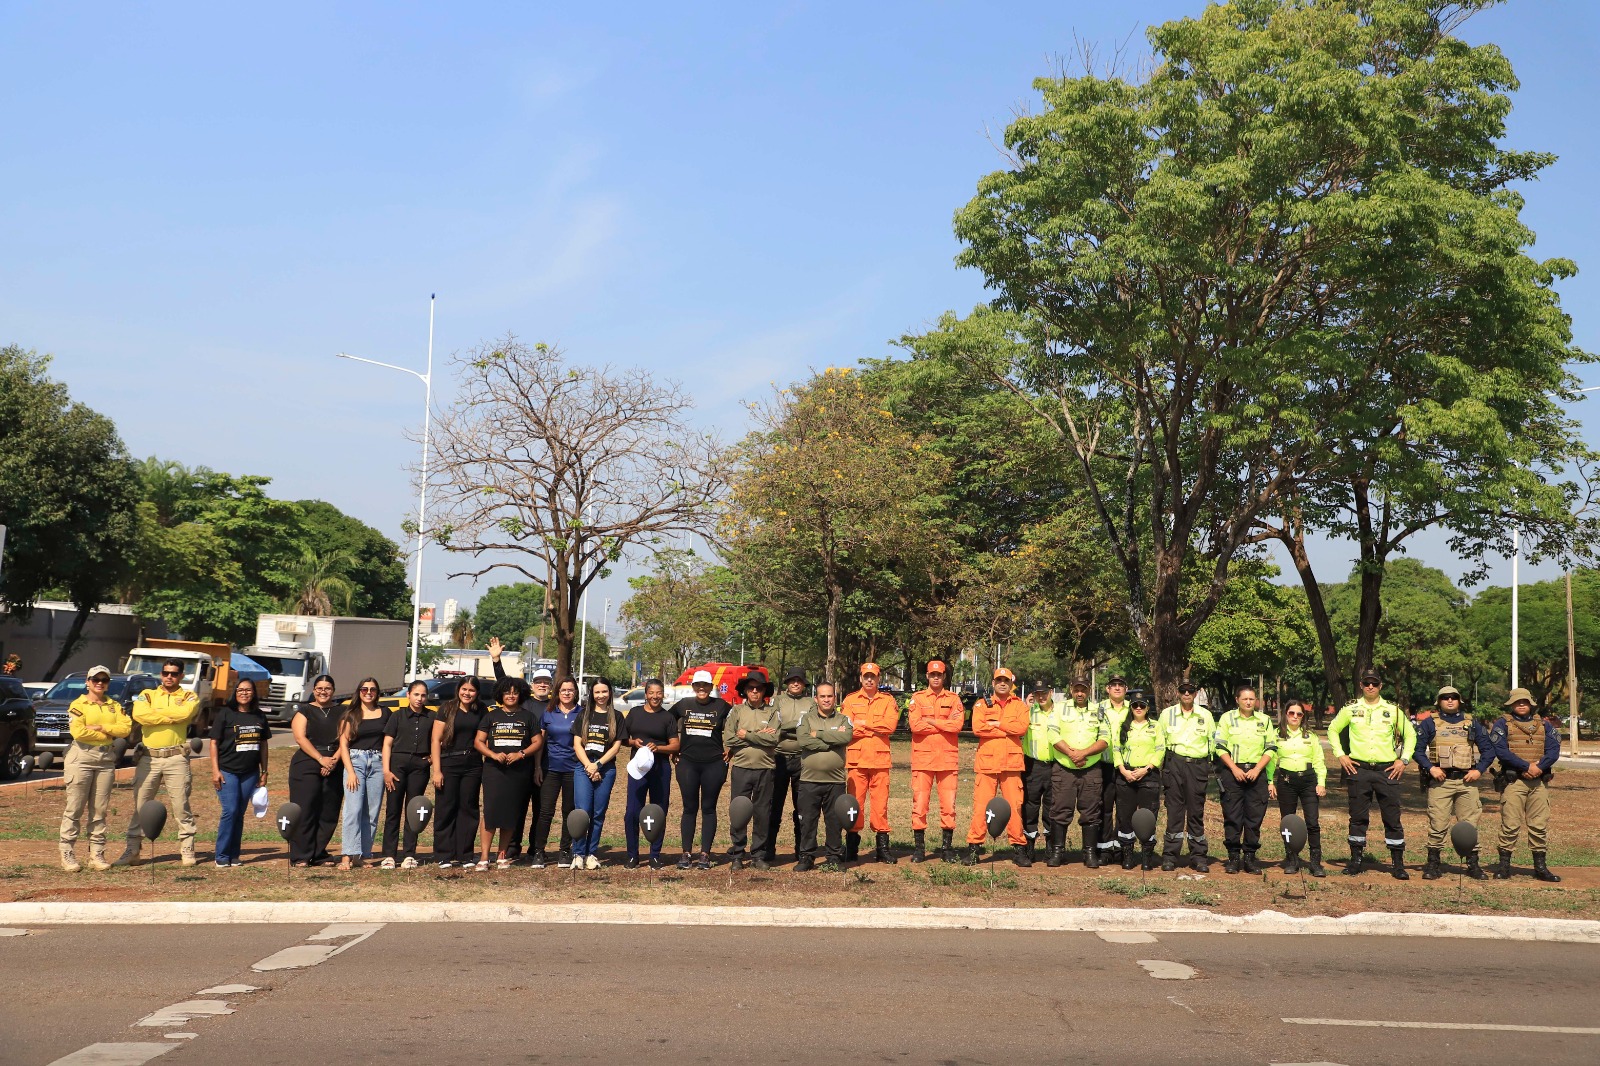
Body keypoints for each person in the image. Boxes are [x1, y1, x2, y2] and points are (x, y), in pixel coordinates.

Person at [1327, 670, 1416, 879]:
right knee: (1358, 817)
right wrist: (1341, 755)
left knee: (1392, 817)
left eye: (1374, 683)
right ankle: (1356, 860)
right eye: (1367, 683)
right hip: (1360, 770)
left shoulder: (1393, 710)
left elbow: (1410, 735)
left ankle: (1397, 863)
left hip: (1387, 771)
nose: (1370, 687)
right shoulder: (1351, 709)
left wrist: (1403, 760)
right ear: (1361, 685)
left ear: (1380, 686)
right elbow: (1332, 729)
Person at [115, 657, 201, 867]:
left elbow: (186, 713)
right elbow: (140, 715)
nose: (168, 677)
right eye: (165, 673)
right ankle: (133, 850)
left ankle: (187, 849)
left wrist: (158, 714)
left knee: (181, 805)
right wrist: (172, 717)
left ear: (181, 675)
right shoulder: (148, 694)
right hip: (148, 758)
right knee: (140, 805)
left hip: (176, 758)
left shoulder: (190, 696)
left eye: (173, 673)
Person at [1414, 685, 1492, 880]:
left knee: (1469, 824)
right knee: (1438, 823)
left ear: (1459, 700)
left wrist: (1478, 770)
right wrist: (1430, 768)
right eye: (1445, 698)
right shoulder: (1430, 723)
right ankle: (1433, 864)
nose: (1450, 700)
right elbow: (1417, 749)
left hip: (1467, 782)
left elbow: (1488, 750)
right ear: (1439, 702)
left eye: (1454, 697)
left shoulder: (1472, 722)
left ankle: (1473, 865)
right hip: (1441, 782)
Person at [59, 664, 132, 872]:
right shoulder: (78, 704)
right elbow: (79, 733)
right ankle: (67, 852)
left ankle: (97, 854)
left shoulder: (114, 705)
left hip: (105, 759)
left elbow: (126, 728)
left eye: (104, 680)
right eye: (95, 679)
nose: (99, 683)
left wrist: (102, 728)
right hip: (81, 757)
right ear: (88, 682)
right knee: (75, 808)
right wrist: (110, 734)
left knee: (100, 809)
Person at [1488, 688, 1561, 882]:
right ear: (1511, 704)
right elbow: (1501, 751)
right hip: (1514, 782)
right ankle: (1504, 866)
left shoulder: (1544, 725)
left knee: (1539, 826)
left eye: (1525, 701)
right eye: (1518, 701)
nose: (1521, 704)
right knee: (1510, 824)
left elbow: (1554, 750)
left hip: (1538, 782)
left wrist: (1540, 767)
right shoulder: (1502, 724)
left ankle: (1540, 867)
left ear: (1531, 704)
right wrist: (1526, 766)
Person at [488, 637, 552, 860]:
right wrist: (496, 660)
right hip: (520, 764)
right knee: (517, 807)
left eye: (546, 682)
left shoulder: (554, 706)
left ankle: (536, 848)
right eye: (539, 681)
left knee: (541, 810)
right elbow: (505, 684)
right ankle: (512, 846)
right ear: (532, 684)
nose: (542, 685)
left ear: (551, 685)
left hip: (546, 764)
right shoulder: (524, 702)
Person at [476, 675, 542, 870]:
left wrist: (521, 754)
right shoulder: (491, 715)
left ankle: (502, 854)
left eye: (515, 692)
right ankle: (484, 856)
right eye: (507, 692)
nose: (511, 696)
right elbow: (478, 741)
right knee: (490, 812)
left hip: (519, 772)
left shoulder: (528, 717)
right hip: (494, 771)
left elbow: (538, 742)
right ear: (500, 694)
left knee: (510, 812)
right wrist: (493, 755)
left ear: (521, 694)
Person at [965, 668, 1028, 865]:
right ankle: (974, 849)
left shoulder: (1019, 706)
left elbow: (1022, 728)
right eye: (998, 680)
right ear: (993, 683)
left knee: (1015, 808)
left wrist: (997, 724)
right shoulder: (981, 704)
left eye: (1006, 680)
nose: (1002, 683)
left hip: (1011, 764)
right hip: (987, 764)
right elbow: (978, 728)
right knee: (981, 807)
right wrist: (1007, 730)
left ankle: (1019, 849)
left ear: (1011, 684)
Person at [1045, 676, 1108, 869]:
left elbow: (1105, 739)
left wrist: (1083, 753)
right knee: (1060, 809)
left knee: (1091, 811)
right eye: (1076, 689)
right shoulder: (1060, 708)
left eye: (1083, 689)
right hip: (1064, 767)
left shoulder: (1099, 710)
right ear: (1071, 689)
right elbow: (1052, 734)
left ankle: (1089, 853)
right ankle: (1057, 852)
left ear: (1089, 690)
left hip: (1090, 769)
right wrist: (1072, 754)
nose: (1080, 693)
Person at [1213, 685, 1277, 874]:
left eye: (1252, 699)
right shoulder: (1227, 719)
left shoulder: (1264, 720)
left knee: (1254, 817)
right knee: (1232, 816)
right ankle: (1233, 857)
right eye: (1245, 699)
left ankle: (1250, 857)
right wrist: (1234, 768)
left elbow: (1271, 748)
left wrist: (1258, 769)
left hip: (1257, 773)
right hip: (1233, 772)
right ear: (1237, 700)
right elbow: (1219, 746)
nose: (1249, 702)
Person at [672, 669, 732, 869]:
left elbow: (737, 723)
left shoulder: (722, 706)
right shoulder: (684, 705)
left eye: (705, 685)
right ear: (693, 687)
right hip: (688, 763)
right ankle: (686, 853)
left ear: (711, 687)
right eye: (698, 685)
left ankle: (705, 854)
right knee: (689, 808)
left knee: (708, 808)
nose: (701, 688)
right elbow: (666, 722)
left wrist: (730, 748)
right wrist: (672, 747)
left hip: (713, 763)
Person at [209, 678, 271, 868]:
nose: (244, 693)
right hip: (228, 771)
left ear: (254, 693)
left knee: (240, 813)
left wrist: (264, 771)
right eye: (240, 690)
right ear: (235, 693)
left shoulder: (259, 716)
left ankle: (234, 855)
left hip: (249, 773)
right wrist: (215, 770)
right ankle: (221, 855)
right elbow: (213, 742)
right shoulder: (225, 714)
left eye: (248, 690)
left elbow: (263, 745)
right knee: (230, 810)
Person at [842, 662, 900, 864]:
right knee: (854, 805)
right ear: (860, 678)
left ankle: (882, 849)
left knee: (880, 806)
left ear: (878, 679)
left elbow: (890, 726)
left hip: (880, 762)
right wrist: (874, 728)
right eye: (866, 676)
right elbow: (846, 729)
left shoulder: (887, 700)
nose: (869, 679)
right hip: (856, 762)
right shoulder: (850, 700)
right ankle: (851, 848)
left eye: (873, 676)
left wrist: (863, 723)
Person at [909, 660, 964, 863]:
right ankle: (919, 849)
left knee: (948, 806)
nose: (936, 678)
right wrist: (943, 724)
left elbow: (957, 725)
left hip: (947, 760)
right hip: (923, 759)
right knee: (920, 806)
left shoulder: (954, 698)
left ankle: (946, 849)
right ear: (927, 676)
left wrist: (931, 721)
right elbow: (915, 726)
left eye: (939, 674)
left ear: (944, 676)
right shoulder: (917, 698)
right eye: (932, 674)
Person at [724, 671, 781, 870]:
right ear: (745, 691)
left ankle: (758, 854)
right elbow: (729, 739)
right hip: (741, 768)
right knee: (739, 811)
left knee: (762, 812)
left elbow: (774, 740)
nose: (755, 691)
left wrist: (747, 735)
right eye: (751, 688)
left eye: (759, 688)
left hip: (766, 768)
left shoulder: (772, 712)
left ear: (764, 690)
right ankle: (737, 854)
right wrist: (759, 736)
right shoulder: (737, 711)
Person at [285, 674, 343, 867]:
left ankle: (319, 853)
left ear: (333, 690)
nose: (323, 692)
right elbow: (300, 738)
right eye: (319, 688)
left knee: (328, 811)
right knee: (305, 809)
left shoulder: (342, 711)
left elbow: (347, 738)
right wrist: (321, 760)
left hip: (334, 762)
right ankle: (300, 855)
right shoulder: (305, 711)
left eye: (327, 688)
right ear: (313, 690)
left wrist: (333, 761)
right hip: (307, 762)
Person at [794, 681, 854, 871]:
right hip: (809, 780)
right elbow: (803, 741)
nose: (826, 699)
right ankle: (806, 856)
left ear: (835, 698)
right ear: (816, 699)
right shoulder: (806, 719)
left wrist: (818, 734)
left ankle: (834, 856)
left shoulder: (844, 720)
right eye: (822, 696)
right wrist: (830, 741)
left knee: (834, 821)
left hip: (835, 781)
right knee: (808, 820)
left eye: (830, 696)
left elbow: (846, 738)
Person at [430, 675, 486, 869]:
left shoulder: (482, 710)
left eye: (471, 690)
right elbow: (436, 740)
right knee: (446, 808)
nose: (467, 693)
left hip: (472, 765)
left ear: (477, 693)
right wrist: (437, 770)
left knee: (468, 808)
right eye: (464, 689)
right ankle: (444, 854)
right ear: (458, 690)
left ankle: (465, 854)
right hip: (449, 763)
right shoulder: (447, 708)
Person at [379, 680, 436, 869]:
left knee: (413, 810)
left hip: (419, 767)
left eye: (423, 695)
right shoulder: (397, 716)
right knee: (393, 810)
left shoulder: (432, 717)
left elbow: (440, 740)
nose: (420, 699)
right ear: (408, 695)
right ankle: (389, 854)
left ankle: (409, 854)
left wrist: (431, 759)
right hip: (397, 766)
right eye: (416, 694)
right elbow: (387, 744)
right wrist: (386, 771)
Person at [1159, 681, 1215, 872]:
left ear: (1196, 693)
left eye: (1190, 691)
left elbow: (1212, 743)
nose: (1186, 694)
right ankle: (1170, 856)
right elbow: (1159, 742)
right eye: (1183, 691)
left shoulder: (1205, 715)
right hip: (1174, 764)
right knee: (1174, 812)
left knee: (1195, 812)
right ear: (1178, 693)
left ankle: (1198, 857)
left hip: (1197, 766)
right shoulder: (1167, 715)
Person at [572, 678, 627, 869]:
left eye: (604, 691)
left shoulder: (617, 716)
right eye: (597, 692)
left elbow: (617, 746)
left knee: (598, 813)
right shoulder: (583, 715)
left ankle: (591, 854)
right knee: (583, 811)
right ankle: (578, 853)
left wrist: (598, 765)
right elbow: (577, 744)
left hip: (606, 768)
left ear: (610, 693)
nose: (601, 696)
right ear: (591, 694)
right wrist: (589, 765)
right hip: (583, 767)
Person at [623, 679, 678, 869]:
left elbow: (675, 745)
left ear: (663, 694)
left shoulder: (667, 717)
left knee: (659, 810)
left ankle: (655, 855)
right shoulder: (635, 713)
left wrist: (660, 748)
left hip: (660, 769)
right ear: (646, 694)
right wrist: (633, 743)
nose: (655, 696)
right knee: (632, 812)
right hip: (638, 769)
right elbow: (622, 738)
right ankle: (632, 855)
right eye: (651, 693)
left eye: (659, 693)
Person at [529, 677, 583, 868]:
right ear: (557, 693)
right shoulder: (548, 713)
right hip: (550, 768)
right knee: (545, 812)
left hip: (573, 769)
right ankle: (539, 851)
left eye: (570, 690)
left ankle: (564, 851)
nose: (567, 693)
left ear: (575, 692)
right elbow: (540, 744)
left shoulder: (582, 713)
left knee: (569, 812)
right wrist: (537, 767)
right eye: (563, 690)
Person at [1270, 699, 1328, 877]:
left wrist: (1321, 782)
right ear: (1286, 714)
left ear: (1303, 717)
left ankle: (1315, 862)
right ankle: (1292, 860)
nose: (1295, 716)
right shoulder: (1276, 734)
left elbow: (1319, 760)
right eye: (1291, 713)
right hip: (1286, 782)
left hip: (1308, 781)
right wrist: (1270, 782)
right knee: (1288, 823)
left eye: (1299, 714)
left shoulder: (1310, 736)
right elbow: (1271, 760)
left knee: (1312, 822)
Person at [336, 678, 389, 870]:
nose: (368, 692)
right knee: (353, 809)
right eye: (364, 689)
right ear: (358, 691)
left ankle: (361, 855)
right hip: (356, 762)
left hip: (377, 762)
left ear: (378, 692)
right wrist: (350, 772)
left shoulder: (385, 713)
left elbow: (388, 742)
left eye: (372, 689)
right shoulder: (351, 714)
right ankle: (347, 855)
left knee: (371, 812)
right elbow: (343, 744)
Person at [767, 667, 816, 863]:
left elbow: (810, 728)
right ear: (787, 683)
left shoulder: (811, 703)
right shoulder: (777, 701)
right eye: (792, 680)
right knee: (774, 805)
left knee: (802, 808)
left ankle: (802, 849)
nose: (796, 683)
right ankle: (768, 848)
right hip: (778, 758)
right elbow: (774, 728)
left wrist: (788, 728)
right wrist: (797, 727)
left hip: (802, 759)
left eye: (799, 680)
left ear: (804, 684)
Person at [1111, 692, 1164, 870]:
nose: (1139, 708)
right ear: (1131, 708)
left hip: (1148, 775)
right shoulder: (1123, 726)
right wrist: (1122, 769)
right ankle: (1128, 855)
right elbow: (1116, 749)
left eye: (1142, 705)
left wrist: (1147, 768)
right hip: (1126, 775)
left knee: (1148, 816)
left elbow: (1160, 750)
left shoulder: (1155, 726)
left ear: (1147, 707)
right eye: (1135, 705)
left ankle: (1146, 856)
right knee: (1124, 816)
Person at [1019, 678, 1056, 865]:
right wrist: (1026, 708)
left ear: (1051, 693)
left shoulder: (1060, 713)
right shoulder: (1028, 713)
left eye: (1044, 693)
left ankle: (1050, 848)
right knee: (1030, 807)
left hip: (1055, 765)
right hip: (1033, 766)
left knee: (1051, 807)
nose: (1041, 696)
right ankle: (1029, 846)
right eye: (1037, 693)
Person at [1096, 674, 1131, 864]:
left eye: (1121, 685)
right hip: (1104, 764)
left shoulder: (1134, 708)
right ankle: (1104, 849)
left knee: (1125, 810)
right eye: (1113, 685)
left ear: (1126, 689)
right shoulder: (1098, 708)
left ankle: (1122, 849)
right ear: (1107, 689)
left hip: (1126, 766)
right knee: (1105, 809)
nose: (1117, 688)